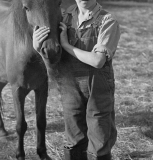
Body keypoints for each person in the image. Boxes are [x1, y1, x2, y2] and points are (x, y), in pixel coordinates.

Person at [33, 0, 120, 159]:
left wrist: (66, 45)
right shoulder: (63, 19)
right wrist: (38, 47)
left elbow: (97, 61)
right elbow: (53, 58)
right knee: (73, 137)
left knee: (99, 136)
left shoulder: (107, 20)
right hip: (70, 86)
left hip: (97, 86)